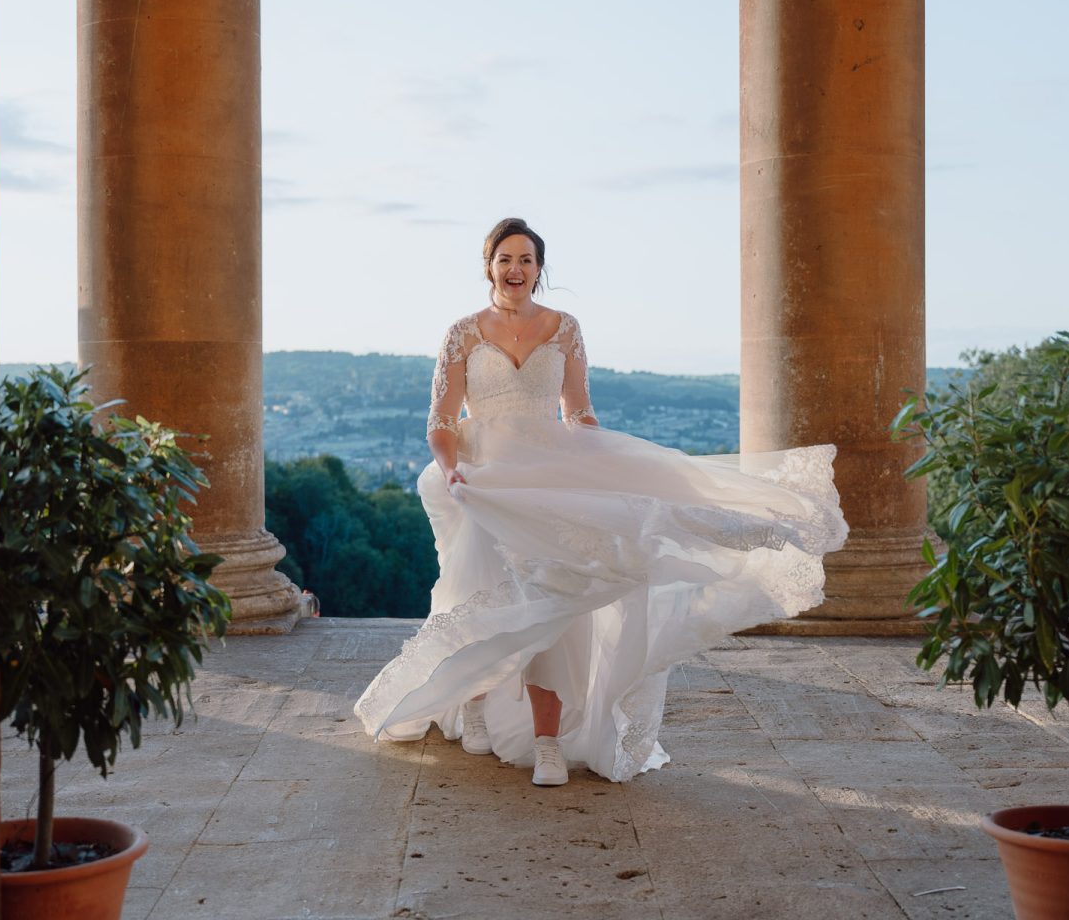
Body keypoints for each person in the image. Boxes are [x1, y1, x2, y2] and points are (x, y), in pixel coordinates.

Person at [353, 218, 848, 785]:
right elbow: (441, 422)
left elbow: (578, 411)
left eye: (528, 260)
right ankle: (473, 702)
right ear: (488, 264)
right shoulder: (463, 332)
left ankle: (547, 744)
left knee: (558, 604)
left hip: (550, 475)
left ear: (540, 270)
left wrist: (609, 466)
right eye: (506, 259)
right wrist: (455, 472)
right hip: (484, 479)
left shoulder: (565, 328)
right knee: (484, 594)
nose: (516, 270)